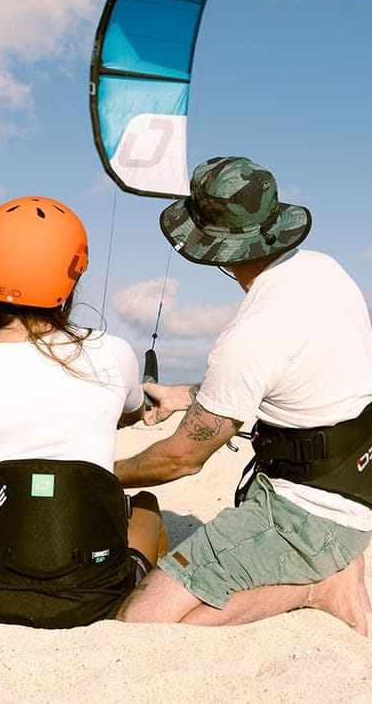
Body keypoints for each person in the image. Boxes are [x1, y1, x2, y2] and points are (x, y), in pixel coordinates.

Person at [114, 156, 372, 635]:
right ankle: (329, 568)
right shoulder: (324, 272)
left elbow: (182, 460)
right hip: (354, 493)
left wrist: (106, 477)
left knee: (141, 621)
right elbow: (289, 380)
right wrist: (179, 395)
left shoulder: (251, 334)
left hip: (305, 517)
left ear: (216, 249)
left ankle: (317, 585)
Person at [0, 195, 167, 629]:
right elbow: (128, 409)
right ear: (71, 278)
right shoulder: (113, 353)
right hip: (97, 596)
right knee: (144, 503)